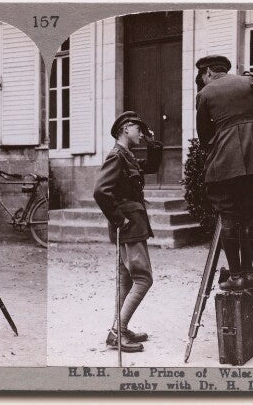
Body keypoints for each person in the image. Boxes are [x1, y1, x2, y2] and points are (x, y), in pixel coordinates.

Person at [194, 55, 253, 290]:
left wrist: (224, 138)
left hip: (225, 162)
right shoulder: (248, 83)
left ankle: (235, 276)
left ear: (209, 72)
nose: (203, 80)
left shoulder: (205, 93)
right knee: (249, 216)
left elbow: (203, 136)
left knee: (229, 216)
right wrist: (252, 130)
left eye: (203, 76)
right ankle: (247, 271)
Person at [93, 111, 164, 353]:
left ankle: (119, 328)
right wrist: (120, 220)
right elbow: (101, 191)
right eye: (138, 129)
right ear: (126, 128)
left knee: (126, 279)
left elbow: (151, 167)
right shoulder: (117, 156)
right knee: (143, 278)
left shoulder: (127, 156)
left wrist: (152, 144)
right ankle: (118, 332)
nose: (141, 133)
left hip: (131, 224)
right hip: (128, 226)